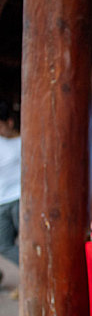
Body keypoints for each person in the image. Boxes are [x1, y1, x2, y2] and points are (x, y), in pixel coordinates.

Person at [0, 100, 20, 278]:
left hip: (21, 198)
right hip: (2, 200)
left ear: (9, 122)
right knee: (4, 245)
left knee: (30, 241)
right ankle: (33, 273)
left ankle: (32, 277)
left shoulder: (24, 141)